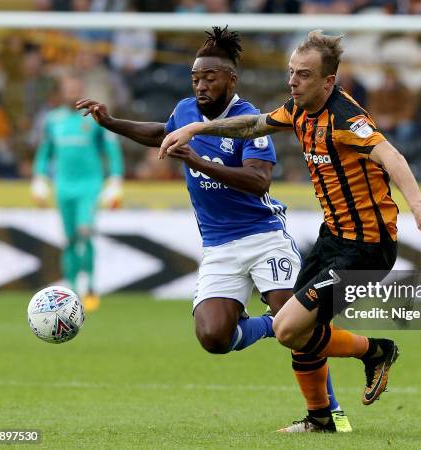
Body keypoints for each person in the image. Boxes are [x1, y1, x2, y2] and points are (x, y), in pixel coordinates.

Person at [159, 30, 421, 433]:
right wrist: (195, 130)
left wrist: (417, 205)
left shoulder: (347, 119)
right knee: (300, 330)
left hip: (367, 249)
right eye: (290, 73)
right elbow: (253, 125)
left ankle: (375, 353)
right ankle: (322, 417)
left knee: (287, 328)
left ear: (327, 82)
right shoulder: (298, 109)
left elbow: (391, 154)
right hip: (332, 238)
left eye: (302, 75)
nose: (292, 82)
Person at [76, 26, 352, 432]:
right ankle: (269, 327)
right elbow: (161, 134)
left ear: (231, 79)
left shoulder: (248, 119)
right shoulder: (185, 110)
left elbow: (259, 181)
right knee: (213, 337)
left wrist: (198, 162)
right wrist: (111, 122)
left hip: (264, 238)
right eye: (195, 79)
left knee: (299, 327)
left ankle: (330, 411)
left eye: (210, 78)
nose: (201, 85)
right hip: (219, 246)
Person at [32, 74, 124, 312]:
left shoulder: (95, 119)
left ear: (82, 89)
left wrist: (115, 180)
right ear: (62, 91)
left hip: (89, 184)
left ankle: (91, 286)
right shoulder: (53, 120)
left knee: (85, 232)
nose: (72, 92)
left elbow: (112, 150)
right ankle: (71, 289)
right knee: (70, 238)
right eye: (68, 88)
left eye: (76, 87)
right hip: (63, 185)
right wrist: (39, 179)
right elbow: (44, 153)